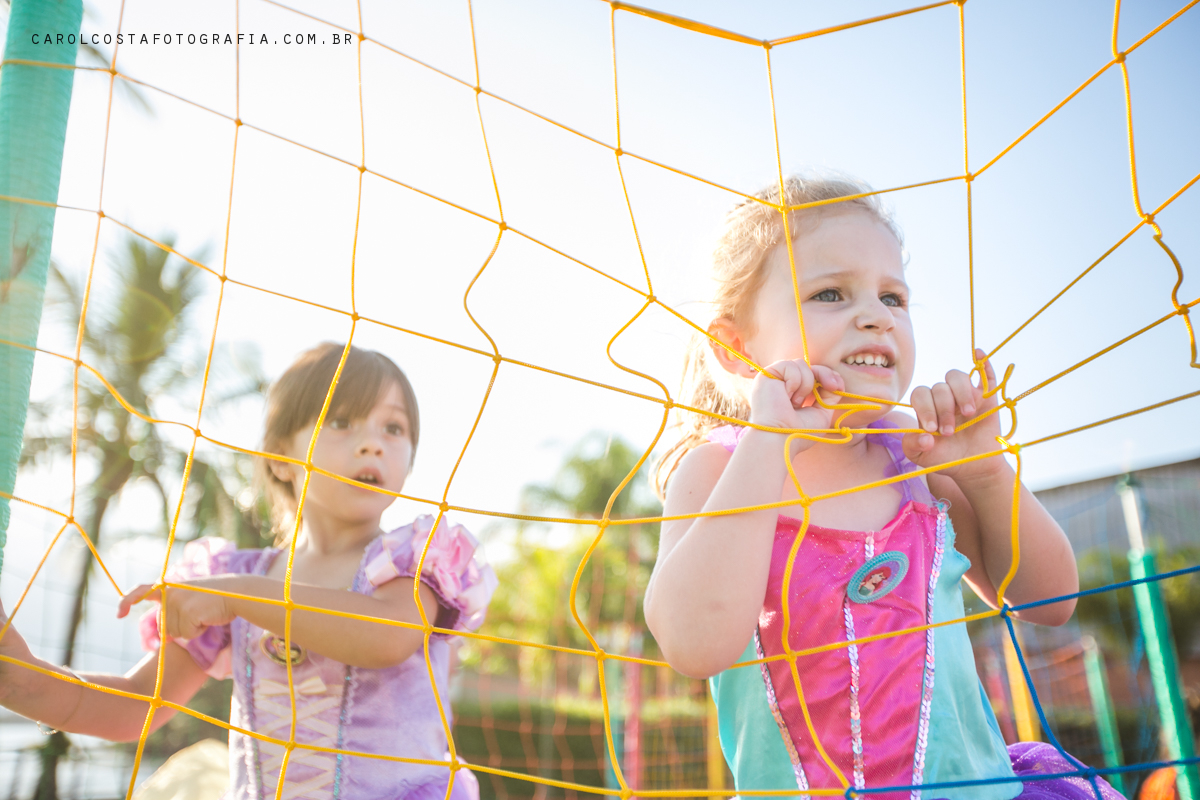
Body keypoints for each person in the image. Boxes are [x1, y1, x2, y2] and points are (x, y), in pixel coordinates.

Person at [644, 176, 1124, 800]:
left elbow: (1050, 602)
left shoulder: (917, 457)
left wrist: (986, 471)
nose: (876, 316)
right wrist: (767, 443)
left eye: (893, 297)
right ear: (736, 349)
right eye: (831, 293)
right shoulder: (717, 470)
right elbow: (693, 645)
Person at [0, 343, 497, 800]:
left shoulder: (412, 561)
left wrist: (238, 595)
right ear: (280, 458)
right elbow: (136, 705)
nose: (373, 444)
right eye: (342, 421)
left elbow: (386, 636)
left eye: (394, 428)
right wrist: (21, 678)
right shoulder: (231, 574)